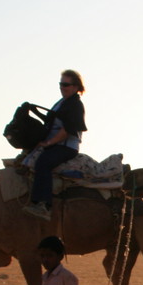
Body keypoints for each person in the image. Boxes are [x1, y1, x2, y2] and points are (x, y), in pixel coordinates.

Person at [23, 69, 87, 221]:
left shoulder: (75, 105)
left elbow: (68, 130)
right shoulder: (62, 103)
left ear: (76, 86)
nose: (62, 87)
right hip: (56, 144)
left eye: (66, 84)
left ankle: (44, 205)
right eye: (60, 84)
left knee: (43, 163)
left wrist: (48, 143)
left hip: (65, 146)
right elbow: (51, 121)